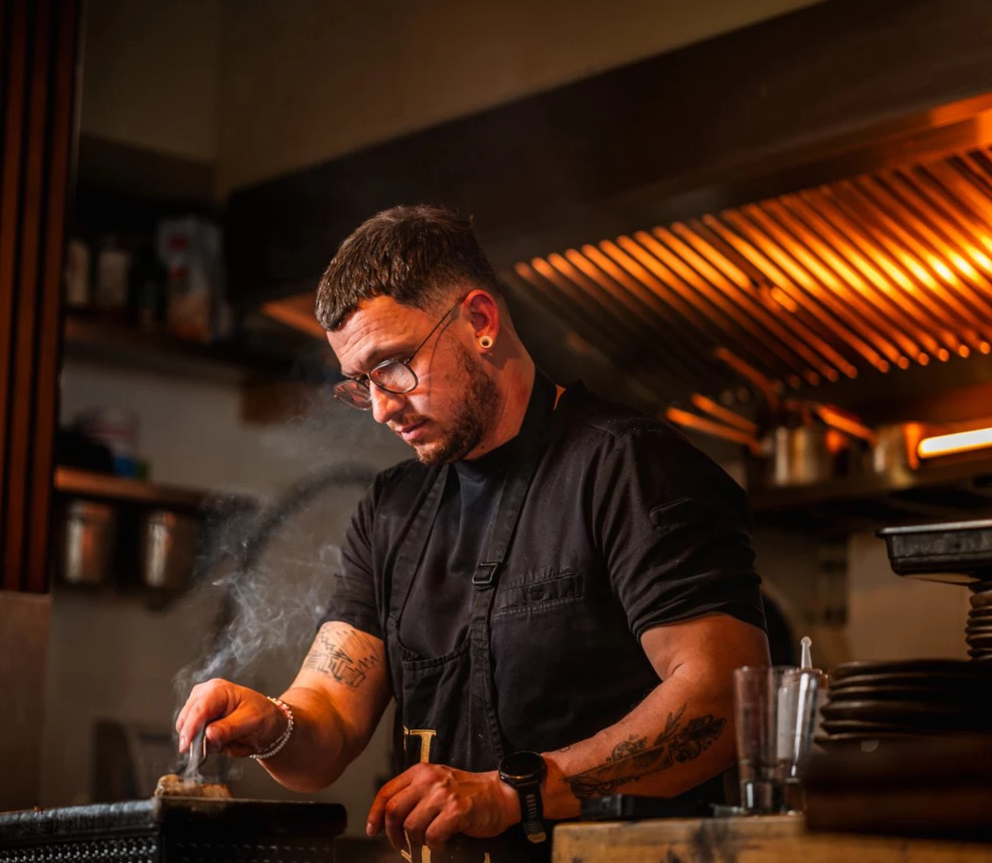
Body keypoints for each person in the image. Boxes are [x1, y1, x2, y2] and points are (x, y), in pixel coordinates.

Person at [176, 205, 769, 863]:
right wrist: (274, 725)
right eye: (362, 384)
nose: (381, 408)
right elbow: (331, 719)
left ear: (480, 321)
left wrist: (518, 792)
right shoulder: (391, 510)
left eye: (393, 365)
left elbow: (723, 700)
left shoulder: (628, 467)